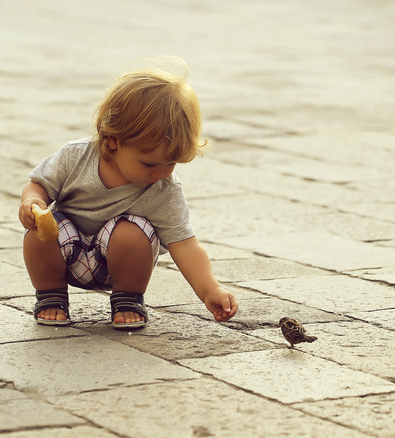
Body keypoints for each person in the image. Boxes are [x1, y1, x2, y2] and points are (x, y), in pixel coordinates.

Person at [18, 59, 238, 329]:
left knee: (131, 231)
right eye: (149, 163)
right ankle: (50, 295)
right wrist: (32, 201)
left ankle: (128, 299)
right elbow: (38, 184)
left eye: (171, 164)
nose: (161, 173)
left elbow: (186, 244)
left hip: (122, 268)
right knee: (40, 232)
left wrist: (209, 289)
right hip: (65, 256)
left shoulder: (163, 190)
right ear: (113, 140)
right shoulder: (75, 156)